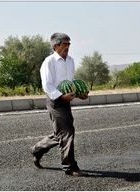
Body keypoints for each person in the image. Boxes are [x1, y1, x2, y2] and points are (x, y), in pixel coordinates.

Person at [31, 32, 88, 177]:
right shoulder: (49, 61)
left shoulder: (70, 60)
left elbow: (71, 81)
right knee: (67, 132)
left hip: (66, 99)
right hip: (55, 101)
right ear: (55, 45)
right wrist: (61, 96)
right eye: (64, 44)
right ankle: (70, 167)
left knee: (61, 133)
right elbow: (47, 85)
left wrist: (79, 94)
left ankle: (37, 149)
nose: (67, 47)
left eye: (69, 44)